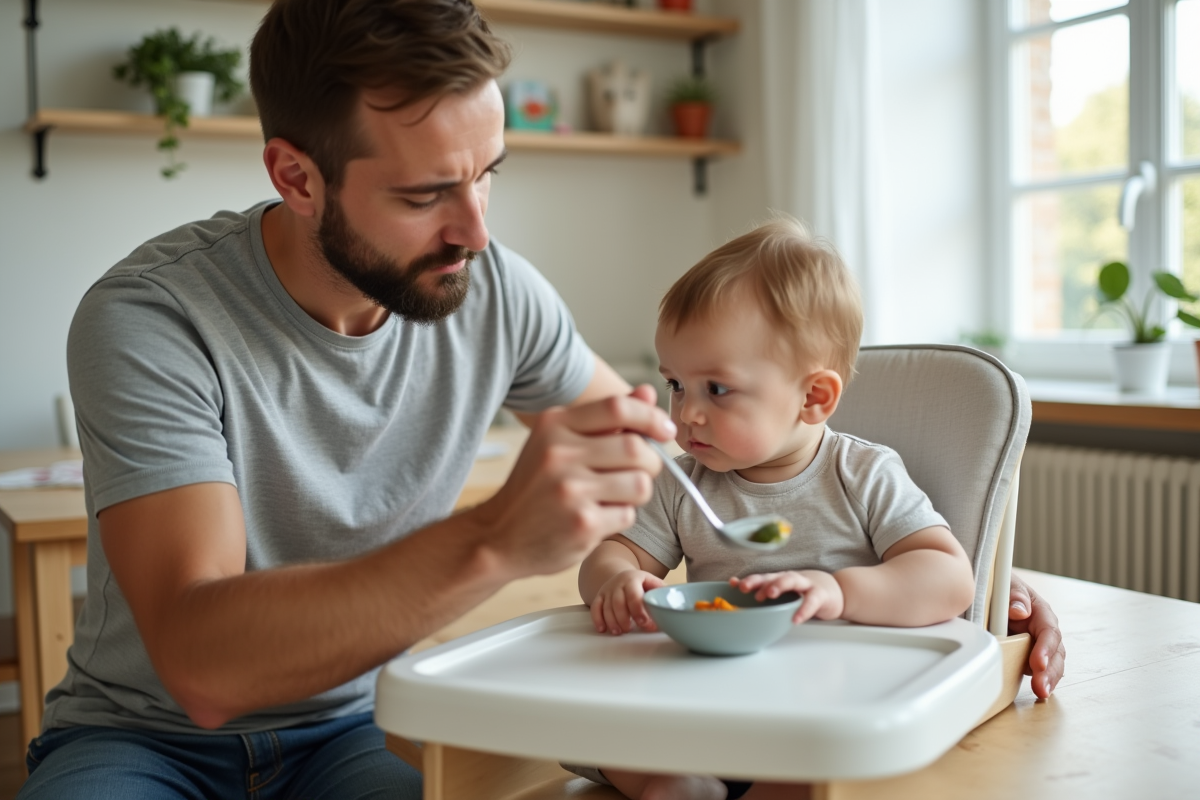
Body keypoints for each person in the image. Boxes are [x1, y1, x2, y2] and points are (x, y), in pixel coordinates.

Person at [19, 1, 1062, 797]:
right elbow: (203, 665)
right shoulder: (150, 318)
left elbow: (667, 447)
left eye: (491, 174)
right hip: (141, 736)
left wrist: (963, 592)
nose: (474, 230)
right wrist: (493, 539)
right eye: (428, 194)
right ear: (297, 176)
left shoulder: (489, 285)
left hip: (361, 721)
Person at [566, 218, 1036, 800]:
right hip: (708, 692)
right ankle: (677, 784)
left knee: (817, 766)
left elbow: (947, 578)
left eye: (716, 389)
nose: (686, 413)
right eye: (676, 385)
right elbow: (613, 553)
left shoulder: (864, 474)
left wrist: (840, 591)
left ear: (813, 397)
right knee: (588, 727)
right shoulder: (684, 483)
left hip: (829, 695)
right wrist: (617, 580)